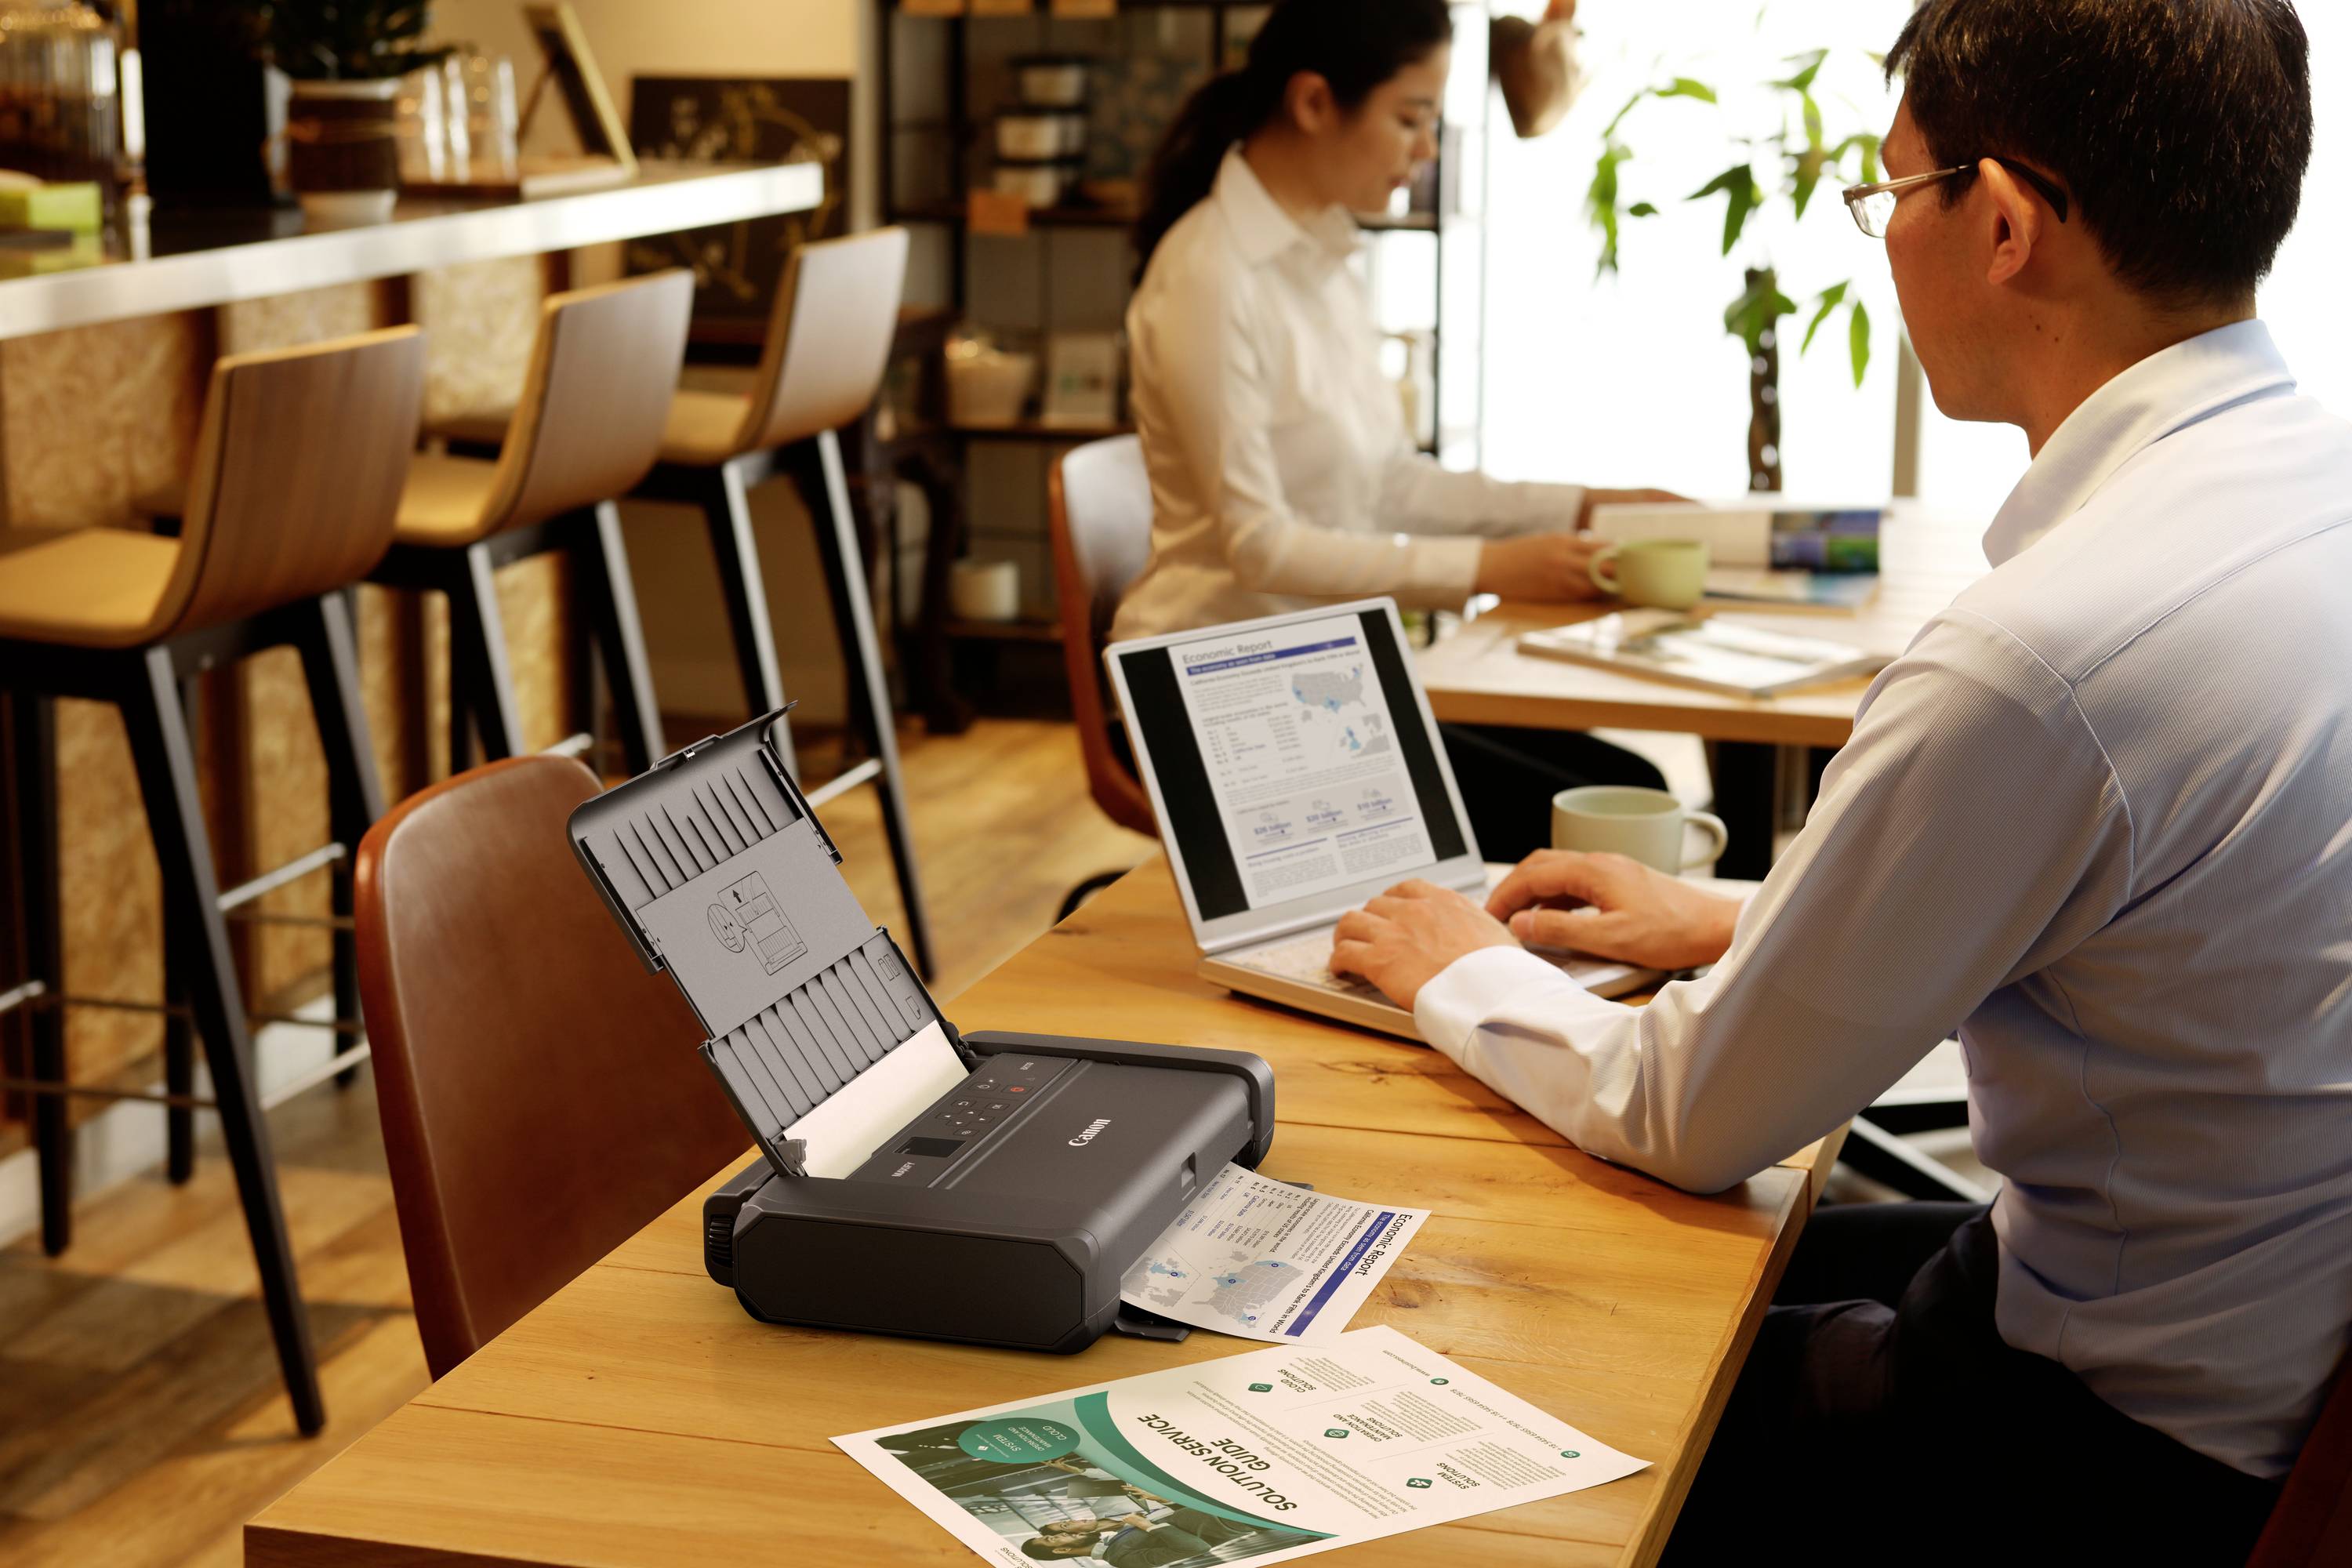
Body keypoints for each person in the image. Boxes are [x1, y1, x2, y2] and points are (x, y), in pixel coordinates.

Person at [1328, 0, 2342, 1558]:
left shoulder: (2041, 658)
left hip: (2119, 1453)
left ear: (1999, 221)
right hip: (2266, 1347)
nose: (1879, 239)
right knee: (1760, 1261)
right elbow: (2164, 918)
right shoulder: (2307, 496)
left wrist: (1462, 973)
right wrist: (1739, 915)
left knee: (1526, 1339)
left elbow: (1685, 1110)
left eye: (1887, 195)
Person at [1110, 0, 1682, 858]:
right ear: (1313, 103)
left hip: (1317, 677)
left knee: (1631, 789)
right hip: (1214, 692)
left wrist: (1578, 507)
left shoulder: (1324, 254)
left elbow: (1388, 481)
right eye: (1411, 117)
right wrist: (1491, 566)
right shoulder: (1211, 274)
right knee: (1604, 822)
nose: (1427, 148)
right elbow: (1258, 545)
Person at [1019, 1506, 1250, 1565]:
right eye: (1054, 1538)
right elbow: (1195, 1548)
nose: (1064, 1530)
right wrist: (1145, 1525)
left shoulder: (1112, 1542)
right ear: (1061, 1550)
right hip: (1231, 1520)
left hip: (1218, 1511)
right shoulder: (1123, 1561)